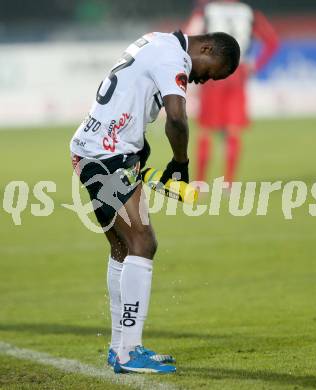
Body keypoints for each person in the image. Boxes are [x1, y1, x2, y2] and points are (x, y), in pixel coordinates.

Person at [70, 29, 240, 374]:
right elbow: (176, 119)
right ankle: (129, 352)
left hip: (96, 151)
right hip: (106, 156)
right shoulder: (174, 57)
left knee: (122, 247)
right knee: (143, 243)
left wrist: (139, 151)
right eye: (211, 72)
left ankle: (120, 347)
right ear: (206, 48)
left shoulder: (156, 41)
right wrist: (180, 165)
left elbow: (131, 98)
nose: (204, 80)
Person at [186, 0, 279, 185]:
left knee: (205, 130)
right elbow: (272, 42)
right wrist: (256, 66)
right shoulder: (249, 11)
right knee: (233, 130)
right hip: (238, 72)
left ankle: (200, 183)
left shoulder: (206, 10)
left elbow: (187, 38)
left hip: (213, 72)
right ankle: (228, 183)